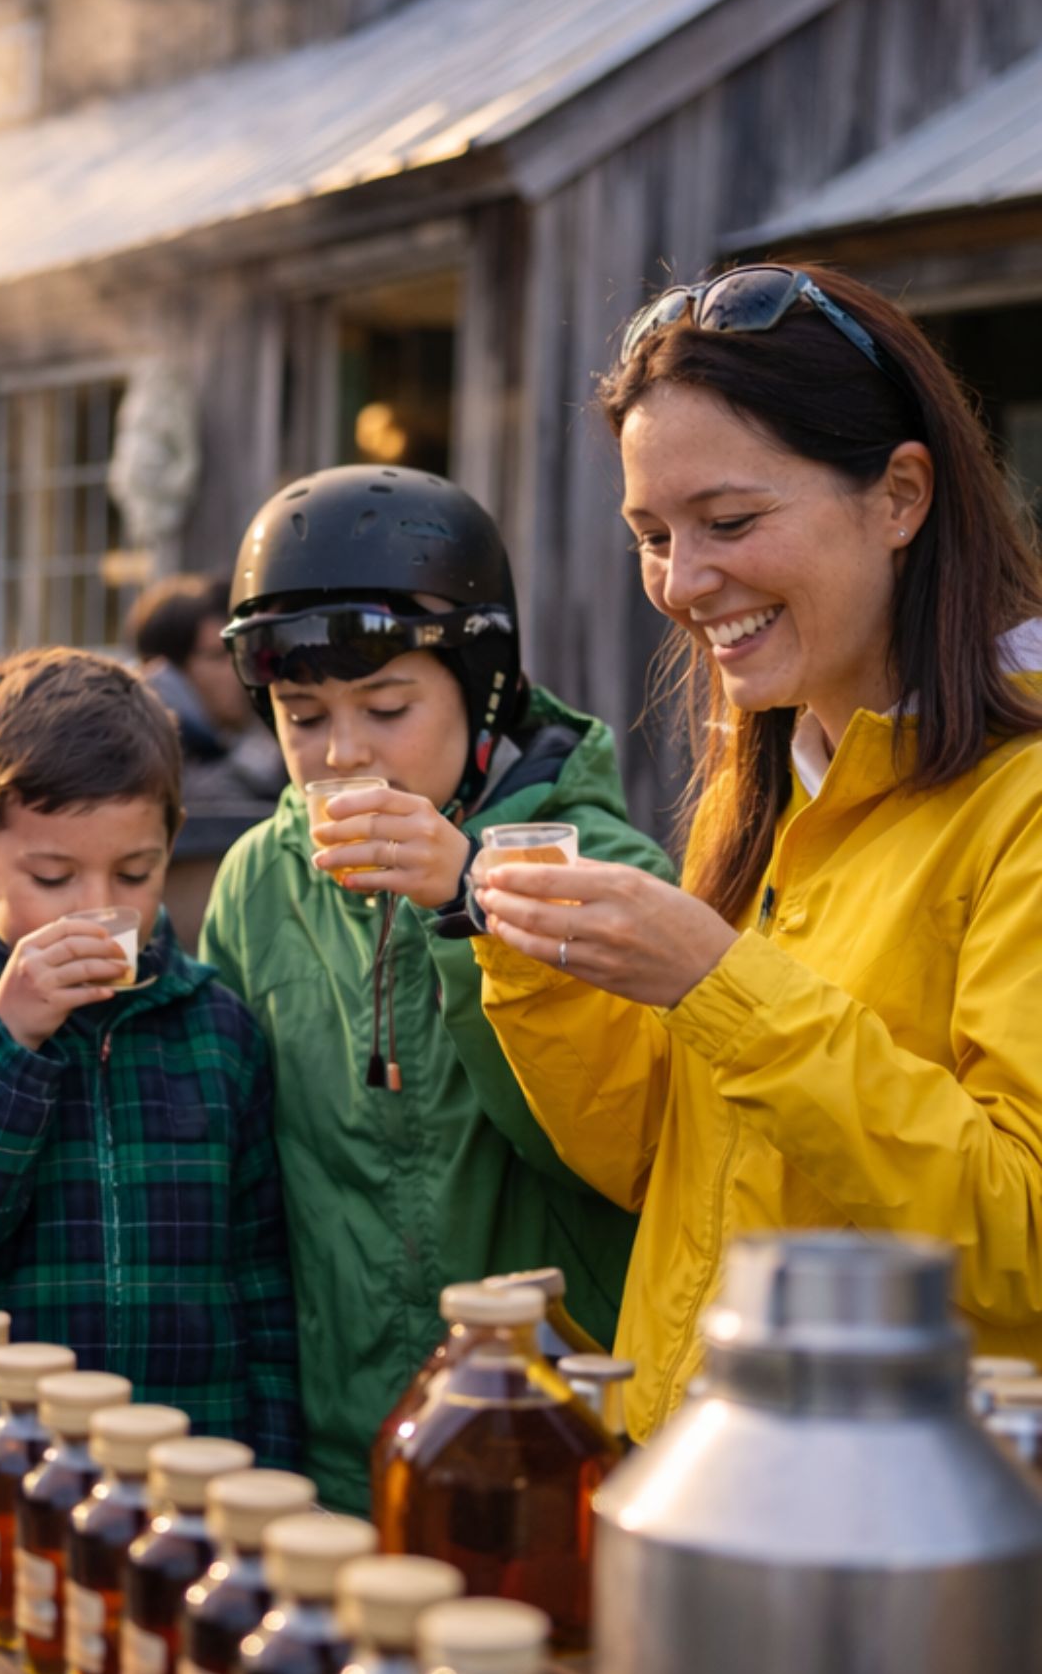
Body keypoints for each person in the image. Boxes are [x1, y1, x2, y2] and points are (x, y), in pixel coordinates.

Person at [472, 263, 1042, 1441]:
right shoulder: (781, 784)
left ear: (897, 494)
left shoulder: (1019, 799)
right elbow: (656, 1163)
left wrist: (716, 984)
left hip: (901, 1543)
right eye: (651, 534)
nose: (681, 582)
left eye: (727, 521)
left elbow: (1018, 1233)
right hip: (707, 1488)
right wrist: (540, 964)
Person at [198, 468, 671, 1510]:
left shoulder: (603, 870)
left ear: (483, 685)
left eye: (386, 704)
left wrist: (467, 898)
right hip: (330, 1448)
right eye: (299, 712)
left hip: (552, 1437)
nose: (341, 752)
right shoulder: (256, 879)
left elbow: (624, 1156)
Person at [0, 648, 300, 1466]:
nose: (100, 910)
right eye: (54, 876)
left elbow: (263, 1292)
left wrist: (269, 1470)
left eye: (135, 872)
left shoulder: (216, 1030)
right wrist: (10, 1037)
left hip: (188, 1471)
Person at [131, 572, 285, 805]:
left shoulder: (258, 747)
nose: (239, 668)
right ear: (168, 672)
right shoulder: (149, 765)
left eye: (242, 651)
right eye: (219, 656)